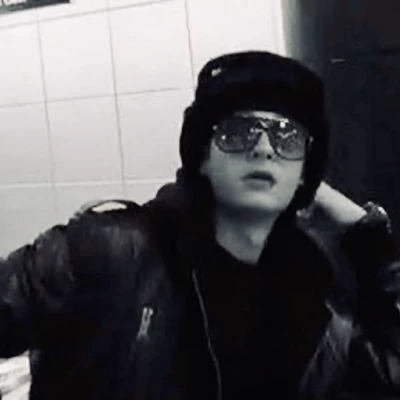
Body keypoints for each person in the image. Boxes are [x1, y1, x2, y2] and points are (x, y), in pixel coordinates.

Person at [0, 50, 399, 400]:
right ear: (203, 157)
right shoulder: (108, 251)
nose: (264, 148)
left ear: (305, 173)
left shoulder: (316, 301)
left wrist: (366, 233)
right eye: (239, 133)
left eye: (287, 137)